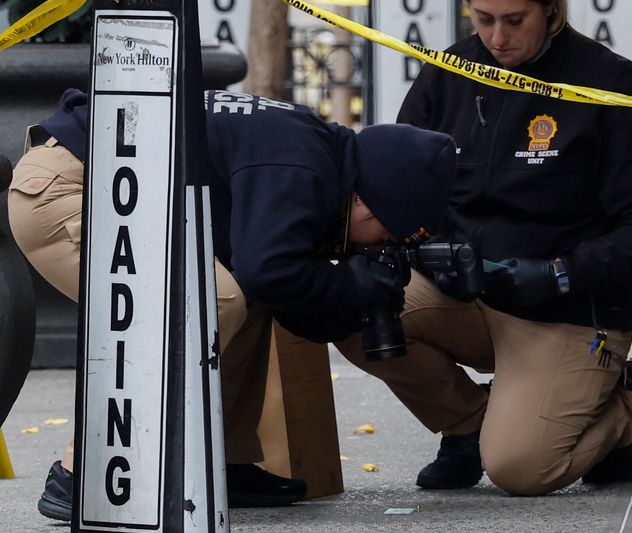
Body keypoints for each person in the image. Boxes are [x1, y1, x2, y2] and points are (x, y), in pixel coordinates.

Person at [8, 88, 456, 519]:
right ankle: (84, 471)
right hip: (69, 192)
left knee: (243, 295)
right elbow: (271, 271)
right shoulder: (302, 165)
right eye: (388, 236)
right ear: (367, 201)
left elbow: (280, 294)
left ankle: (219, 462)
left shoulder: (318, 159)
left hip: (110, 185)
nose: (381, 248)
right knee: (204, 300)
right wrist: (348, 286)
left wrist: (349, 294)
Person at [335, 0, 632, 496]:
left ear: (551, 10)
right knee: (343, 304)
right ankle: (467, 426)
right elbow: (397, 190)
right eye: (483, 19)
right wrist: (432, 250)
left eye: (515, 21)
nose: (497, 38)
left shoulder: (610, 82)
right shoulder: (448, 73)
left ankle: (626, 407)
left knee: (521, 470)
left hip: (567, 305)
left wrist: (562, 272)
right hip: (463, 293)